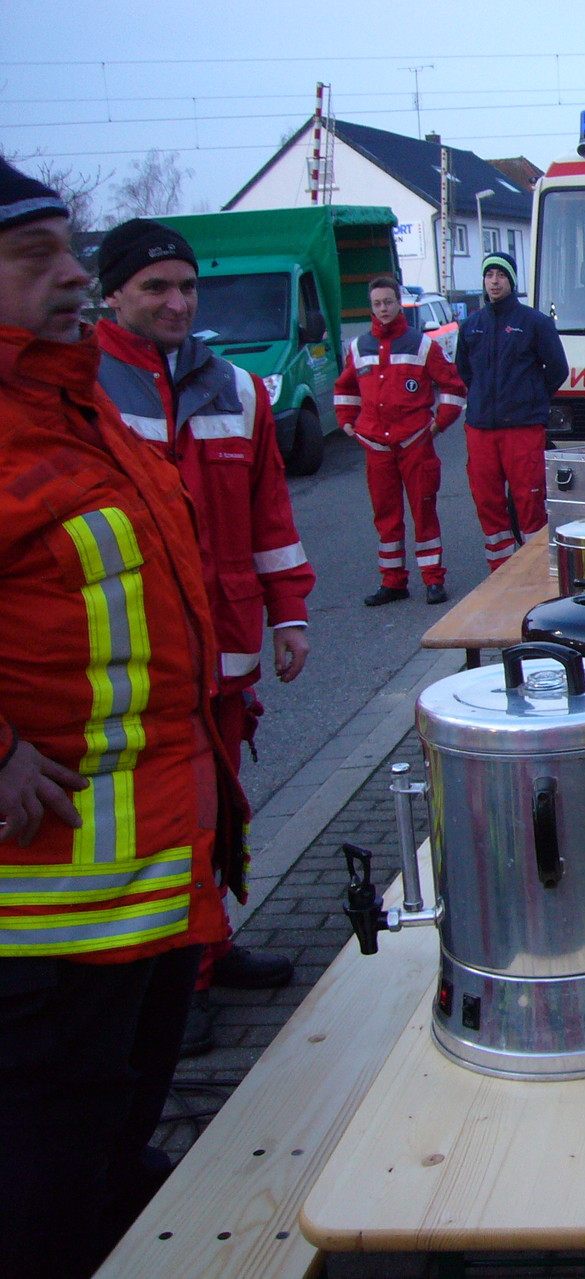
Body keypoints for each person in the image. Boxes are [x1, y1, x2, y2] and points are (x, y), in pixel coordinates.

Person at [0, 160, 247, 1279]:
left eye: (68, 250)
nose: (67, 276)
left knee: (114, 1127)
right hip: (52, 907)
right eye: (33, 257)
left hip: (148, 871)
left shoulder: (70, 397)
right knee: (46, 1157)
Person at [94, 218, 313, 1053]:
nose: (178, 302)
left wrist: (289, 613)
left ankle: (209, 947)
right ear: (113, 293)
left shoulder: (239, 390)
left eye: (187, 287)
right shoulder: (88, 390)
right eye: (156, 287)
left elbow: (269, 516)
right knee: (159, 826)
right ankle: (171, 983)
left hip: (223, 649)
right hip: (132, 662)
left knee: (219, 807)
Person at [333, 274, 465, 606]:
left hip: (415, 444)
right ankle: (393, 582)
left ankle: (433, 579)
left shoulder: (422, 345)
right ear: (371, 307)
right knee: (386, 515)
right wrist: (347, 423)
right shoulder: (358, 347)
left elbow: (453, 387)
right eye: (377, 304)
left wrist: (438, 426)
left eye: (388, 302)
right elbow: (345, 388)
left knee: (424, 511)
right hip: (377, 447)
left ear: (398, 302)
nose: (383, 309)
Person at [455, 250, 567, 572]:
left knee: (529, 502)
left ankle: (534, 571)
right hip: (481, 430)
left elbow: (557, 369)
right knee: (488, 503)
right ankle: (500, 574)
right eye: (489, 275)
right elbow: (464, 371)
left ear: (512, 280)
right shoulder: (471, 326)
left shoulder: (534, 323)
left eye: (501, 275)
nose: (494, 281)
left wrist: (530, 398)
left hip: (522, 429)